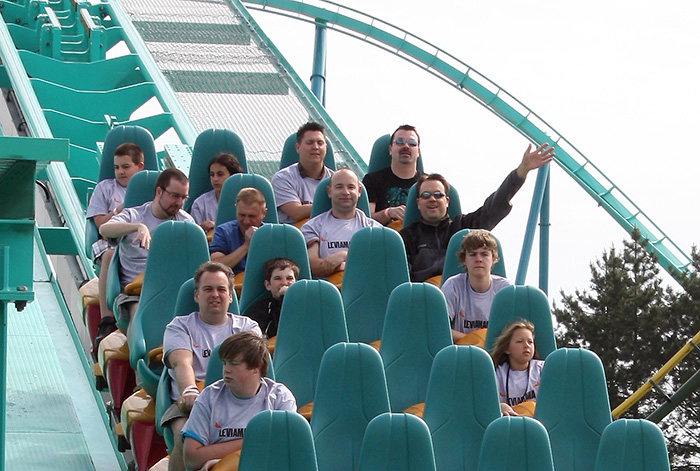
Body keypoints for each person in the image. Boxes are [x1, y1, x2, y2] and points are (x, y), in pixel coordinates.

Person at [400, 141, 554, 282]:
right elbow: (402, 281)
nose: (432, 199)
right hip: (427, 299)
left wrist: (522, 171)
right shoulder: (406, 238)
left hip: (464, 299)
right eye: (426, 195)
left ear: (447, 201)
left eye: (438, 195)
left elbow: (493, 207)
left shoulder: (462, 227)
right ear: (418, 203)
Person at [161, 262, 261, 471]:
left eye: (221, 289)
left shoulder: (247, 328)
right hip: (191, 403)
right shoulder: (180, 326)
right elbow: (182, 362)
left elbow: (252, 368)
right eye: (208, 289)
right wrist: (189, 390)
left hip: (239, 402)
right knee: (184, 433)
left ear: (231, 296)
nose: (215, 294)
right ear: (196, 295)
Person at [181, 331, 296, 471]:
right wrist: (256, 443)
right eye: (224, 363)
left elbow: (285, 450)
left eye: (234, 364)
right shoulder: (209, 397)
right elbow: (191, 459)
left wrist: (227, 457)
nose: (226, 370)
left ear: (256, 366)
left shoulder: (280, 397)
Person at [99, 168, 194, 331]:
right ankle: (137, 354)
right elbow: (105, 229)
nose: (179, 202)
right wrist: (137, 227)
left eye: (183, 198)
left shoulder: (185, 223)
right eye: (174, 196)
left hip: (170, 291)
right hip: (135, 292)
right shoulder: (134, 215)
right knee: (139, 317)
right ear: (159, 191)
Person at [86, 142, 144, 345]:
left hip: (138, 243)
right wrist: (118, 210)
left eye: (126, 167)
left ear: (139, 167)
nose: (120, 172)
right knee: (110, 255)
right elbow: (101, 225)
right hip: (109, 241)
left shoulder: (149, 188)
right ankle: (107, 319)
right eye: (117, 167)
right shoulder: (105, 188)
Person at [301, 168, 382, 278]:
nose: (346, 192)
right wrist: (335, 266)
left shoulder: (375, 230)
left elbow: (377, 267)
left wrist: (345, 256)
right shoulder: (312, 227)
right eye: (339, 187)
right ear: (329, 191)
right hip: (326, 290)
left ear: (359, 191)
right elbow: (313, 265)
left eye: (351, 187)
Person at [441, 230, 512, 343]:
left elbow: (513, 332)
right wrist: (474, 341)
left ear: (493, 259)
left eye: (484, 254)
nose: (478, 259)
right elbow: (441, 329)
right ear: (464, 260)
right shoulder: (453, 285)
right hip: (460, 353)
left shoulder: (504, 289)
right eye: (472, 254)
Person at [271, 122, 334, 224]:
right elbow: (296, 212)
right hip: (294, 237)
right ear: (298, 147)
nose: (316, 147)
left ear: (326, 148)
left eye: (320, 143)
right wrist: (335, 205)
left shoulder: (335, 180)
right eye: (310, 142)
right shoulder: (282, 178)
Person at [362, 124, 422, 225]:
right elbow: (365, 220)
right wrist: (388, 213)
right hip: (382, 238)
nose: (406, 146)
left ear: (418, 152)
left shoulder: (427, 184)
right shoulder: (372, 180)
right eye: (400, 142)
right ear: (390, 149)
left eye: (412, 143)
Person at [490, 320, 544, 417]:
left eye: (530, 342)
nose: (526, 345)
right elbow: (488, 404)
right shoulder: (497, 373)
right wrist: (500, 406)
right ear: (507, 349)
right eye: (520, 341)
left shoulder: (543, 369)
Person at [209, 187, 266, 275]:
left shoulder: (271, 235)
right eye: (242, 215)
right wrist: (246, 246)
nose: (246, 221)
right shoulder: (223, 231)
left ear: (263, 213)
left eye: (252, 216)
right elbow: (214, 267)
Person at [190, 153, 244, 232]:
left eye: (220, 174)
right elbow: (195, 234)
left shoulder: (245, 201)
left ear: (232, 175)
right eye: (212, 175)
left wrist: (216, 225)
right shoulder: (199, 204)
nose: (215, 179)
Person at [247, 258, 299, 338]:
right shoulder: (259, 309)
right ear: (268, 285)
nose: (284, 283)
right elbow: (269, 334)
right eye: (278, 278)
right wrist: (284, 299)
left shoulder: (306, 305)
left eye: (289, 278)